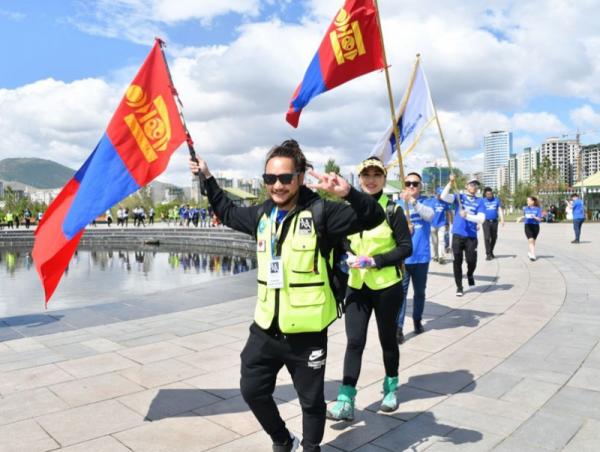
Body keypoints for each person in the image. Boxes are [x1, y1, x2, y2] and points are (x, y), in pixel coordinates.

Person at [189, 139, 385, 452]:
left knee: (311, 403)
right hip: (266, 327)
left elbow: (374, 218)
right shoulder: (262, 216)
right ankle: (283, 440)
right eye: (270, 179)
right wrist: (208, 178)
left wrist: (348, 193)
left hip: (306, 331)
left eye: (284, 178)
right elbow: (226, 212)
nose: (277, 186)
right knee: (252, 389)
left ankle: (310, 447)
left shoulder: (323, 213)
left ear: (300, 178)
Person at [327, 157, 411, 421]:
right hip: (357, 285)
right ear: (359, 179)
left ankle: (390, 387)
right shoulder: (347, 209)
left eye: (377, 175)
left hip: (387, 286)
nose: (371, 179)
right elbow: (341, 240)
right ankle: (346, 398)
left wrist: (376, 260)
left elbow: (405, 247)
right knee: (354, 342)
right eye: (366, 175)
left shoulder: (392, 210)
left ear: (384, 179)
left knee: (387, 340)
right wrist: (348, 254)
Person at [395, 172, 434, 343]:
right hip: (403, 258)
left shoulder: (426, 202)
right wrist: (403, 230)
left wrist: (412, 201)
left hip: (421, 257)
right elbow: (389, 230)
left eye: (415, 184)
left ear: (420, 186)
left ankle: (417, 320)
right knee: (401, 294)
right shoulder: (397, 204)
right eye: (408, 183)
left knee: (419, 292)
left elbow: (430, 216)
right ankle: (398, 328)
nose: (411, 186)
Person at [441, 176, 485, 296]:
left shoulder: (480, 201)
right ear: (466, 186)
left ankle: (470, 273)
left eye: (476, 185)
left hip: (471, 235)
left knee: (472, 261)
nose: (474, 186)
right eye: (471, 184)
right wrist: (450, 182)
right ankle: (459, 286)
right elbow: (443, 196)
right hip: (457, 234)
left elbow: (481, 218)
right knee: (457, 261)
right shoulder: (459, 197)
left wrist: (467, 216)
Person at [481, 187, 505, 260]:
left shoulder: (496, 200)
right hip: (486, 222)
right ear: (485, 194)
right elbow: (479, 211)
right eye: (487, 194)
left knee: (494, 237)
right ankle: (488, 254)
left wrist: (502, 219)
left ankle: (491, 251)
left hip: (494, 221)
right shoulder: (482, 201)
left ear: (492, 194)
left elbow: (500, 210)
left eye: (490, 194)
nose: (489, 195)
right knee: (487, 238)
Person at [429, 187, 450, 264]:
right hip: (432, 224)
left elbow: (448, 212)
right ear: (436, 194)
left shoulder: (445, 202)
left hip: (442, 224)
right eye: (439, 194)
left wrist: (448, 223)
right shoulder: (432, 202)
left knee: (441, 240)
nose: (440, 196)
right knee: (434, 242)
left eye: (442, 194)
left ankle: (441, 257)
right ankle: (435, 255)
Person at [518, 196, 543, 261]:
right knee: (531, 240)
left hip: (535, 226)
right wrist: (521, 218)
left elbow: (539, 219)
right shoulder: (526, 209)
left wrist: (534, 217)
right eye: (527, 201)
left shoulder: (538, 209)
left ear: (533, 201)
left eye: (528, 200)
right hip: (527, 225)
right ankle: (533, 255)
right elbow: (525, 216)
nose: (527, 202)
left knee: (533, 241)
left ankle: (530, 252)